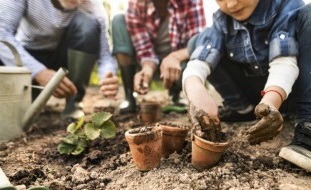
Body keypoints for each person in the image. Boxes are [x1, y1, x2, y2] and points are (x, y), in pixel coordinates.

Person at [183, 0, 311, 171]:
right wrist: (196, 91)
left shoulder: (285, 6)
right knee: (196, 43)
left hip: (293, 90)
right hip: (257, 96)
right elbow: (198, 64)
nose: (231, 4)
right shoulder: (222, 21)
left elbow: (284, 63)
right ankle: (243, 110)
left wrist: (270, 102)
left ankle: (307, 124)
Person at [0, 0, 119, 119]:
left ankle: (73, 104)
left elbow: (105, 56)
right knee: (18, 111)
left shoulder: (93, 5)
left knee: (88, 23)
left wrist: (108, 75)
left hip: (64, 60)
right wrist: (38, 72)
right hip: (28, 57)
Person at [111, 0, 206, 114]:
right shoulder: (136, 3)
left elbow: (198, 43)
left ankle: (175, 95)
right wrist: (147, 68)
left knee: (196, 57)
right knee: (119, 20)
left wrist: (175, 58)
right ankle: (129, 96)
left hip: (179, 66)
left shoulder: (191, 2)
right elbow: (144, 49)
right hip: (148, 64)